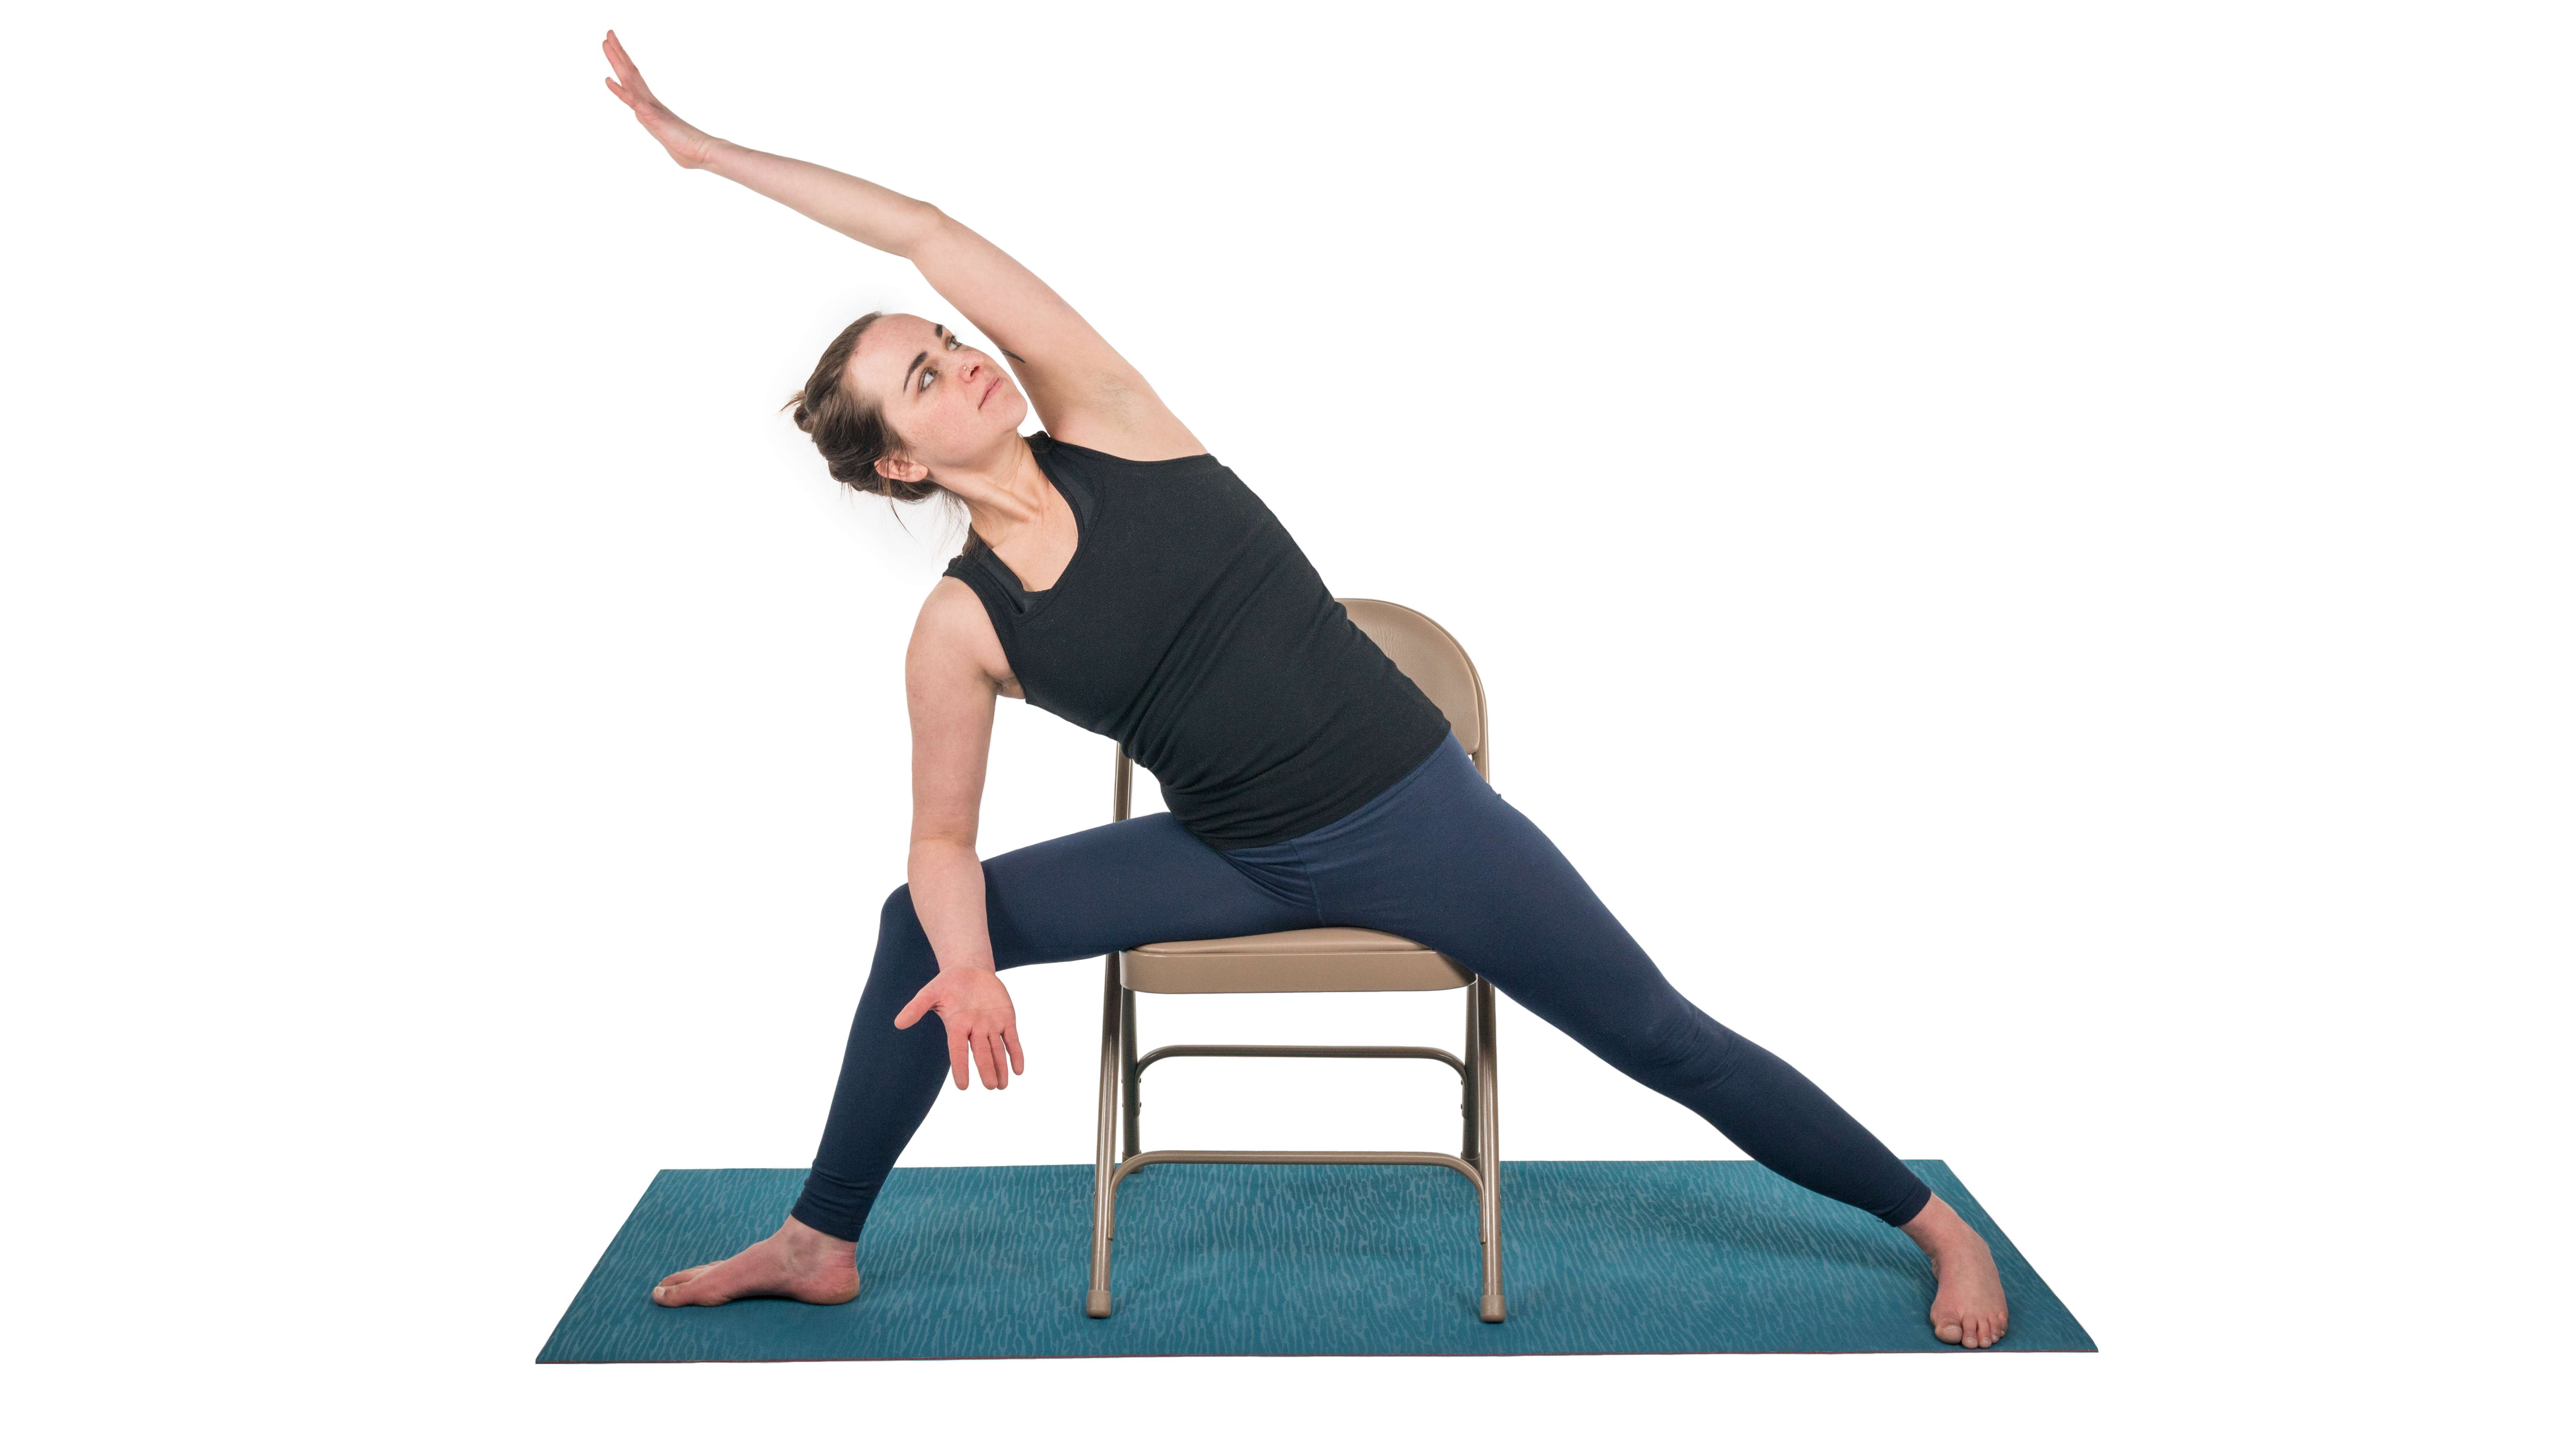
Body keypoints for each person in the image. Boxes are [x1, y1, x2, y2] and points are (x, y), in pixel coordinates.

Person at [599, 30, 2010, 1349]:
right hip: (1235, 856)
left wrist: (705, 152)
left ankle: (1932, 1224)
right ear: (900, 462)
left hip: (1416, 819)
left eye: (948, 341)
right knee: (917, 929)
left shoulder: (1108, 416)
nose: (963, 358)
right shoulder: (961, 627)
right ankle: (818, 1236)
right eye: (924, 373)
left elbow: (926, 231)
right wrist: (968, 964)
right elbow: (940, 845)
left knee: (1655, 1031)